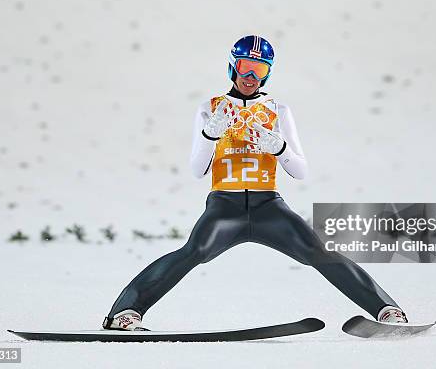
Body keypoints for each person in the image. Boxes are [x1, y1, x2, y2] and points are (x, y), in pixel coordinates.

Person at [102, 35, 407, 331]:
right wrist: (211, 134)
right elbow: (197, 170)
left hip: (268, 205)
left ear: (268, 73)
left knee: (317, 251)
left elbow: (300, 171)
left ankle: (387, 310)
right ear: (233, 66)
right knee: (195, 250)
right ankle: (124, 313)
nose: (250, 76)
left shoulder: (278, 110)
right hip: (225, 205)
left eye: (259, 70)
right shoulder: (211, 107)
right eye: (245, 67)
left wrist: (280, 149)